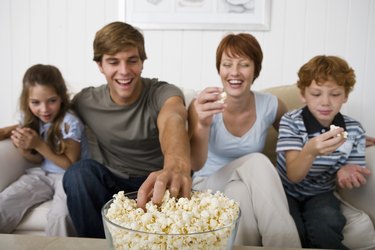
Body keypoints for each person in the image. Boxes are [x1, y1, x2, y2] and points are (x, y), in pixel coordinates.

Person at [62, 21, 192, 238]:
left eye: (132, 60)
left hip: (156, 183)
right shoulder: (85, 101)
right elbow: (50, 116)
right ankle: (99, 244)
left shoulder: (162, 92)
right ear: (100, 65)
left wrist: (176, 166)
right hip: (112, 184)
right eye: (113, 62)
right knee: (78, 174)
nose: (124, 71)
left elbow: (173, 119)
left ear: (142, 62)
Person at [188, 33, 301, 247]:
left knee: (238, 193)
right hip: (208, 185)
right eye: (227, 64)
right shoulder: (203, 105)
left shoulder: (271, 105)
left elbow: (298, 137)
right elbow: (195, 164)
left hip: (243, 188)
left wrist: (351, 139)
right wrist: (202, 124)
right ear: (219, 69)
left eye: (244, 64)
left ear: (255, 69)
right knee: (257, 160)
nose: (234, 72)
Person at [276, 55, 372, 249]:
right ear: (303, 94)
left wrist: (345, 172)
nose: (326, 102)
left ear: (345, 95)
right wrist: (310, 151)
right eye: (316, 93)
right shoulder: (291, 121)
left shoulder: (353, 130)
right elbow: (293, 175)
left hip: (321, 192)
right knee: (291, 230)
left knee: (326, 223)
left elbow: (350, 169)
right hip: (285, 190)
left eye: (335, 94)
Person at [0, 64, 89, 236]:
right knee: (6, 201)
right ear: (27, 101)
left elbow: (70, 165)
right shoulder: (31, 119)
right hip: (42, 174)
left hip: (69, 177)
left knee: (60, 215)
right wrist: (26, 149)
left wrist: (39, 144)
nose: (44, 109)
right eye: (36, 102)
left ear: (61, 97)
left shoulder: (70, 122)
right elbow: (38, 160)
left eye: (51, 101)